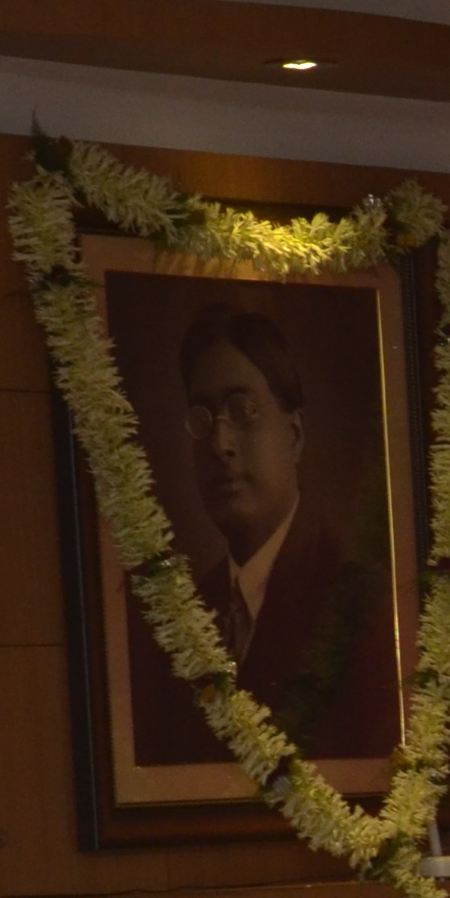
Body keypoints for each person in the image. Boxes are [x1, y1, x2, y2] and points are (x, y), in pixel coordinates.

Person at [123, 302, 402, 770]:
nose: (220, 444)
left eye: (243, 411)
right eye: (203, 417)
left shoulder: (360, 607)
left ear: (294, 435)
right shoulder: (184, 615)